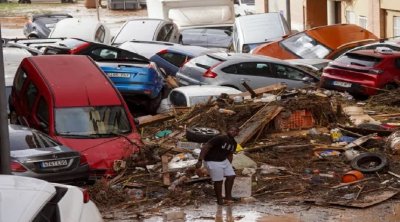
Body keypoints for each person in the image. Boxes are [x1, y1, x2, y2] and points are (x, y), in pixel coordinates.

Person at [195, 126, 239, 205]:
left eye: (235, 131)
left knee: (231, 176)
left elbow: (230, 154)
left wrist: (229, 164)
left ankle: (228, 197)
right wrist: (200, 160)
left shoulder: (234, 143)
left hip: (223, 160)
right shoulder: (220, 138)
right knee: (218, 180)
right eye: (231, 130)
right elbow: (206, 147)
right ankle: (219, 200)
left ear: (237, 133)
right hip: (212, 160)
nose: (233, 132)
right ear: (228, 131)